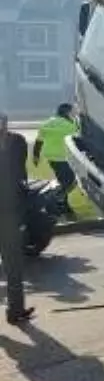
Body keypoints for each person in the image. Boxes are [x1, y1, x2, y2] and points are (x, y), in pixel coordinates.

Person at [0, 112, 35, 325]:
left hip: (9, 213)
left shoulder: (16, 141)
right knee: (13, 264)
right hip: (9, 212)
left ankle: (16, 310)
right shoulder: (14, 142)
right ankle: (16, 310)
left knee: (13, 264)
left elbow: (19, 172)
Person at [32, 103, 80, 219]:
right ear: (67, 112)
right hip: (64, 157)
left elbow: (39, 141)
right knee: (71, 182)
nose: (74, 114)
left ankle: (63, 207)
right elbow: (80, 134)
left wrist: (36, 156)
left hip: (51, 157)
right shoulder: (71, 124)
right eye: (73, 112)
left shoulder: (48, 122)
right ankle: (52, 198)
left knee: (63, 181)